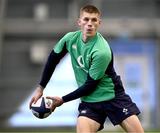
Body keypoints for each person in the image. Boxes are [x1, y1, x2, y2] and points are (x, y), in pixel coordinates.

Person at [29, 5, 144, 133]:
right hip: (90, 101)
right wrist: (41, 88)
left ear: (99, 23)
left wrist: (62, 100)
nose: (90, 24)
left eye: (94, 20)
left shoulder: (101, 51)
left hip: (113, 97)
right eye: (86, 19)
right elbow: (52, 60)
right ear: (79, 22)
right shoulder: (69, 39)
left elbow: (90, 85)